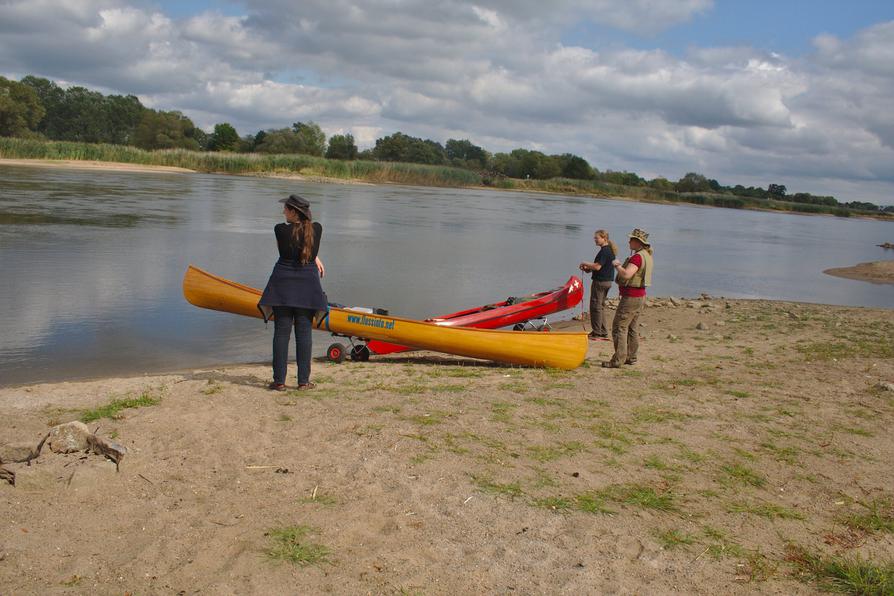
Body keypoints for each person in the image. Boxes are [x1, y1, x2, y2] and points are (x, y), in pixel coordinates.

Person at [258, 194, 328, 391]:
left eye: (286, 209)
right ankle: (303, 382)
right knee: (304, 335)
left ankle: (279, 381)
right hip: (307, 287)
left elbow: (293, 243)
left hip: (283, 287)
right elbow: (305, 245)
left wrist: (314, 257)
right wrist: (315, 258)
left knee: (281, 334)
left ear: (293, 212)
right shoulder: (317, 229)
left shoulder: (280, 230)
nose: (283, 212)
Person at [603, 228, 653, 368]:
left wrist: (617, 265)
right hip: (640, 296)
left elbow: (626, 275)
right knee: (632, 327)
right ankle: (631, 356)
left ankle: (618, 360)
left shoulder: (637, 257)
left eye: (631, 239)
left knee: (619, 327)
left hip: (631, 297)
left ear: (638, 242)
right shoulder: (646, 255)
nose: (629, 241)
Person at [579, 229, 618, 340]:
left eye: (597, 238)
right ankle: (603, 331)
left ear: (604, 238)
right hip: (607, 281)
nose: (595, 240)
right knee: (600, 307)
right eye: (594, 238)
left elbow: (597, 266)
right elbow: (600, 267)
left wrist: (584, 262)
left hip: (600, 282)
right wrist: (588, 269)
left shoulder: (605, 251)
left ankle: (597, 332)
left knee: (595, 307)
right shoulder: (608, 251)